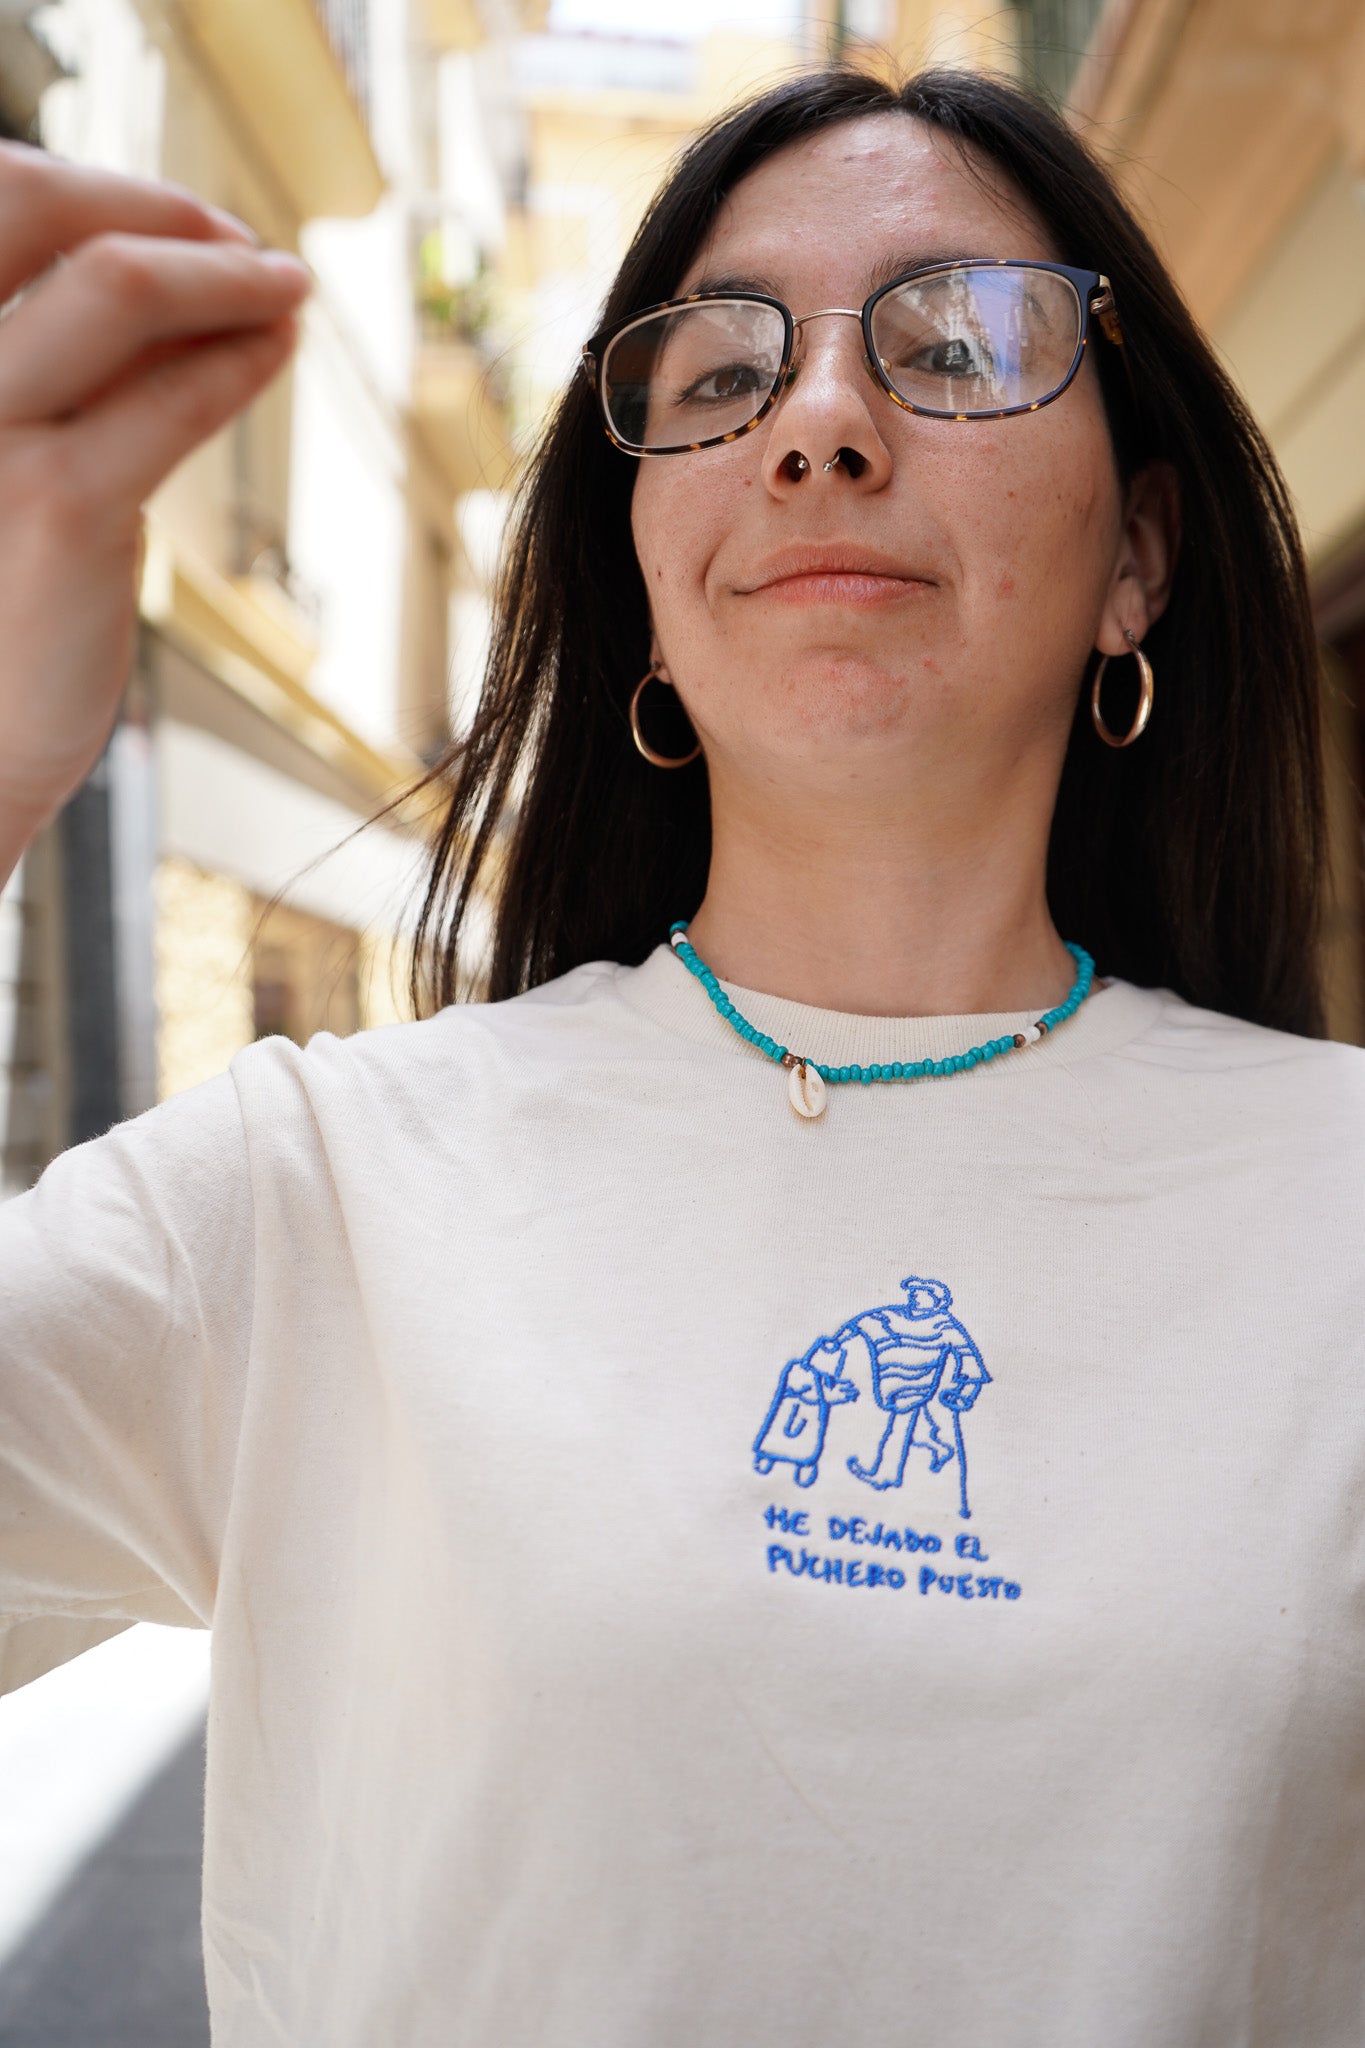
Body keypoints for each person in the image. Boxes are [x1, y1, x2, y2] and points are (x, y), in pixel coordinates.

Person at [0, 61, 1360, 2048]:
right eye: (722, 373)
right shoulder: (315, 1195)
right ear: (642, 572)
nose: (817, 421)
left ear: (1135, 555)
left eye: (952, 344)